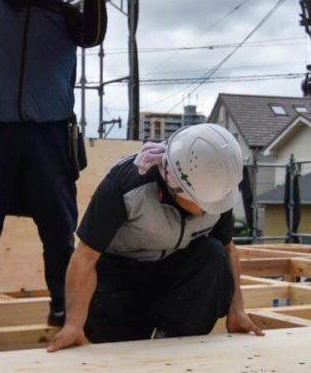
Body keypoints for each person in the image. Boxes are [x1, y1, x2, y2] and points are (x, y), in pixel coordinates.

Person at [0, 0, 125, 340]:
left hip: (48, 133)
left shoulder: (62, 13)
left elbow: (93, 35)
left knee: (58, 227)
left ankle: (63, 304)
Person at [47, 123, 264, 352]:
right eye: (201, 203)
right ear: (174, 185)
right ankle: (125, 340)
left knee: (213, 254)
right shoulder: (126, 185)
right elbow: (85, 256)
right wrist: (73, 325)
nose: (208, 209)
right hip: (120, 279)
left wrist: (237, 311)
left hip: (170, 272)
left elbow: (228, 249)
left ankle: (174, 340)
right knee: (120, 345)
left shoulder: (216, 192)